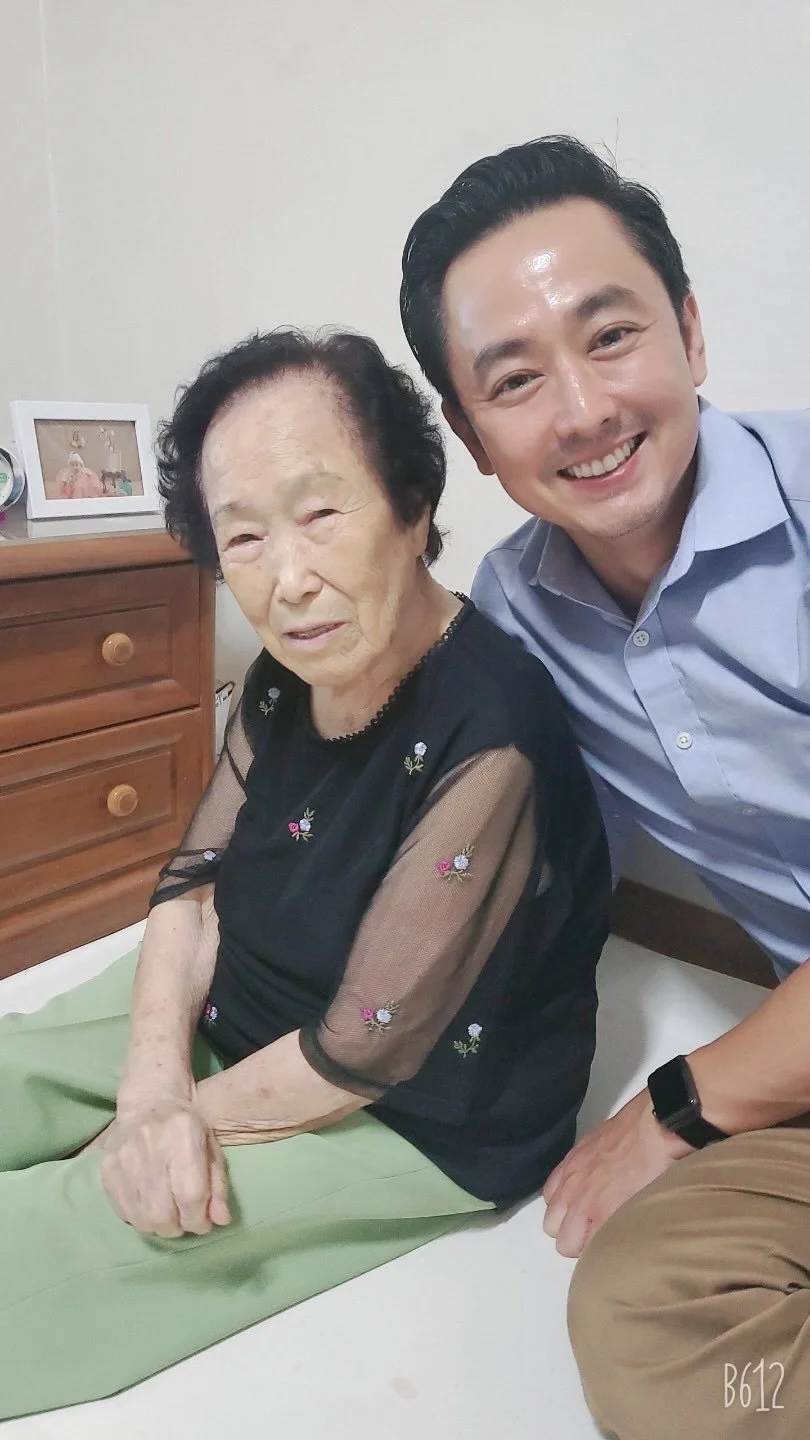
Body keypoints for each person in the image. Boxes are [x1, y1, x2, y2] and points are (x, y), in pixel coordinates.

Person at [0, 327, 610, 1419]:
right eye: (242, 537)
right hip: (252, 1003)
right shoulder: (289, 679)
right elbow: (193, 884)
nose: (288, 581)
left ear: (414, 507)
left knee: (74, 1232)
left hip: (410, 1105)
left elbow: (360, 1050)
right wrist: (150, 1093)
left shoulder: (494, 734)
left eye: (321, 513)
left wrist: (138, 1144)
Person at [400, 135, 810, 1438]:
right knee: (642, 1314)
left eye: (609, 336)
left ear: (688, 331)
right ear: (469, 438)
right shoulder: (518, 613)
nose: (577, 412)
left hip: (760, 1065)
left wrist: (687, 1104)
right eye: (513, 381)